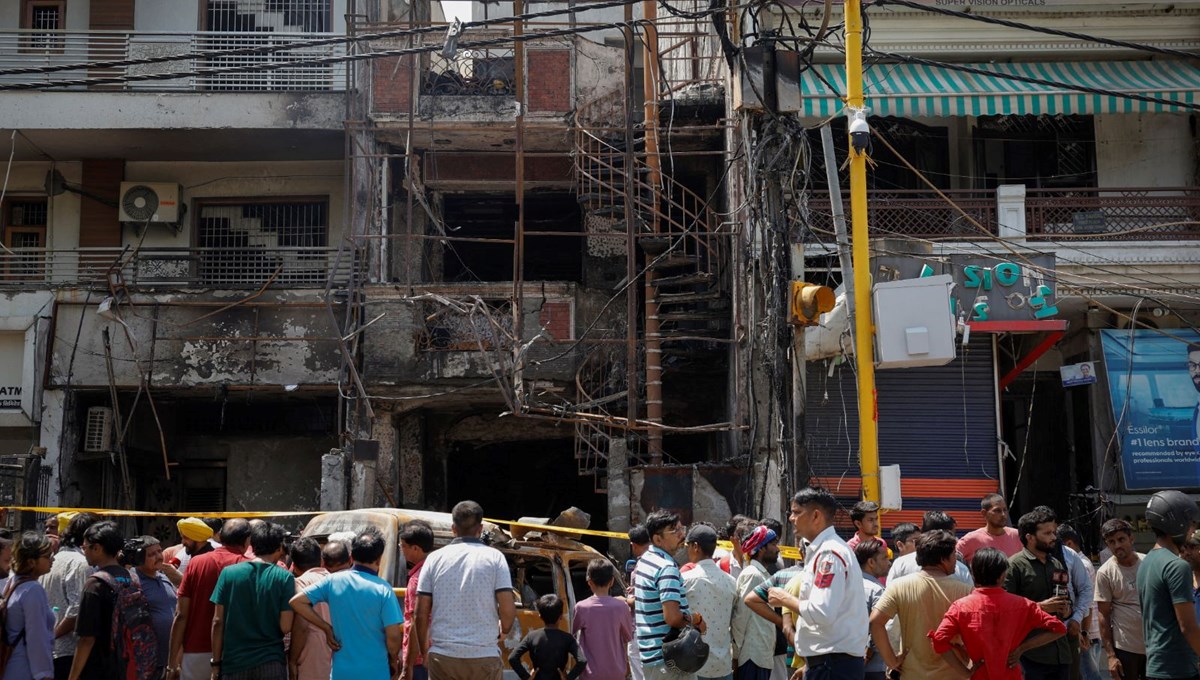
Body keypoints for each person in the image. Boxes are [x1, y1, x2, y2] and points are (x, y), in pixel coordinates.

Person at [767, 488, 867, 680]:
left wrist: (784, 598)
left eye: (796, 512)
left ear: (815, 516)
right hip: (829, 663)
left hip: (832, 665)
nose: (791, 518)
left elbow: (822, 612)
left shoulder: (829, 554)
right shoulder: (827, 550)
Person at [930, 547, 1067, 680]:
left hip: (979, 674)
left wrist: (965, 672)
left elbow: (939, 641)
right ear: (1002, 576)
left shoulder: (960, 607)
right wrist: (1021, 649)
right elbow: (1060, 629)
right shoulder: (1023, 605)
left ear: (973, 574)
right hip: (1011, 673)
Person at [415, 501, 515, 680]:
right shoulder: (495, 558)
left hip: (443, 657)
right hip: (484, 656)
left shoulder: (434, 559)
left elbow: (420, 614)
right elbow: (507, 609)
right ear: (480, 528)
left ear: (453, 528)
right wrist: (504, 630)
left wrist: (425, 652)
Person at [291, 528, 403, 680]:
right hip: (375, 672)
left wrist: (326, 628)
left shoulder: (332, 581)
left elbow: (297, 602)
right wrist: (393, 658)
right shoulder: (383, 590)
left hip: (341, 673)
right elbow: (394, 637)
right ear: (379, 559)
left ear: (351, 557)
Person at [869, 530, 972, 679]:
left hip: (911, 674)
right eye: (953, 555)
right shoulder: (966, 591)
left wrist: (892, 662)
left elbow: (875, 622)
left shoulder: (899, 586)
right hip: (954, 675)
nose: (956, 560)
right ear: (943, 559)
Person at [167, 518, 251, 680]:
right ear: (247, 540)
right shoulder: (249, 567)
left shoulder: (197, 563)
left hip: (196, 651)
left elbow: (181, 615)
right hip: (236, 651)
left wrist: (171, 664)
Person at [210, 522, 294, 680]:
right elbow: (285, 626)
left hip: (234, 663)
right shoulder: (285, 577)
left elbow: (217, 621)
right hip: (271, 663)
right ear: (278, 547)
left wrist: (216, 663)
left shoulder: (228, 574)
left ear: (252, 544)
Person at [632, 509, 704, 680]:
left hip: (653, 658)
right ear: (657, 539)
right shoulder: (666, 568)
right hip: (670, 661)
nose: (681, 535)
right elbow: (672, 618)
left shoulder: (645, 560)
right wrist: (696, 620)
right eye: (675, 531)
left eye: (681, 529)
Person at [1137, 490, 1200, 680]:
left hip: (1156, 666)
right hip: (1178, 669)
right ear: (1177, 523)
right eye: (1190, 523)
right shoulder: (1177, 566)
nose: (1192, 530)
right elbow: (1187, 626)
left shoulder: (1146, 562)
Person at [1004, 509, 1073, 680]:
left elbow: (1067, 601)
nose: (1054, 537)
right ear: (1030, 537)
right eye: (1047, 533)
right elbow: (1005, 610)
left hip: (1060, 654)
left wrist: (1066, 610)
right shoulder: (1014, 566)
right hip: (1030, 655)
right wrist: (1040, 607)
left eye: (1054, 532)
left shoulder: (1056, 563)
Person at [39, 512, 99, 680]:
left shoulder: (54, 559)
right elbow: (76, 611)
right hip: (70, 652)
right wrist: (54, 635)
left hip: (51, 649)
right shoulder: (81, 564)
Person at [66, 521, 128, 680]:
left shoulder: (95, 584)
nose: (83, 551)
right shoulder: (131, 578)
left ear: (97, 548)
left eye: (85, 547)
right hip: (127, 665)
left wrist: (73, 676)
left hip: (99, 669)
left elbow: (86, 638)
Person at [680, 525, 736, 680]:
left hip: (694, 666)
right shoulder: (731, 582)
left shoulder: (685, 580)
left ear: (696, 547)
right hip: (723, 665)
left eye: (688, 546)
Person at [1095, 518, 1146, 680]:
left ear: (1131, 539)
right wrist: (1110, 656)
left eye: (1121, 539)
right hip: (1125, 648)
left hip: (1154, 645)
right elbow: (1103, 614)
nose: (1117, 545)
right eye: (1111, 542)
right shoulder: (1105, 573)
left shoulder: (1148, 563)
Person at [3, 532, 56, 680]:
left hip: (10, 665)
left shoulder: (13, 582)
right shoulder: (33, 590)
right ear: (32, 562)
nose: (53, 560)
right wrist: (45, 674)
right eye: (47, 557)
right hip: (25, 669)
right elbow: (37, 638)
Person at [127, 536, 177, 680]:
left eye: (159, 551)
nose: (158, 557)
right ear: (139, 557)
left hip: (169, 659)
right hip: (146, 661)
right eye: (151, 554)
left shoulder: (164, 578)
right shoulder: (133, 581)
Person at [574, 559, 634, 680]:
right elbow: (627, 638)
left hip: (589, 673)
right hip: (616, 672)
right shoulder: (621, 607)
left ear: (589, 582)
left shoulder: (581, 607)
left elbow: (573, 636)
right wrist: (626, 663)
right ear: (612, 581)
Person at [733, 526, 779, 680]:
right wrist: (736, 653)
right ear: (760, 549)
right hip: (751, 656)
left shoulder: (761, 575)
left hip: (761, 654)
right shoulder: (753, 575)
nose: (777, 549)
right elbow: (741, 617)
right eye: (773, 544)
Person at [1056, 525, 1100, 680]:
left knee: (1090, 676)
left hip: (1085, 632)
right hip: (1085, 630)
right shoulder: (1083, 562)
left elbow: (1086, 601)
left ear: (1068, 544)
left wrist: (1083, 632)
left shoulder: (1082, 564)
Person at [509, 594, 587, 680]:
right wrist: (569, 678)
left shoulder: (531, 636)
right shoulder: (567, 638)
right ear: (561, 616)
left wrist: (526, 677)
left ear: (540, 616)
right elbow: (582, 661)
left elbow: (512, 658)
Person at [887, 512, 972, 586]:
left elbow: (888, 595)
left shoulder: (901, 564)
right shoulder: (960, 568)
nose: (955, 539)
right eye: (952, 534)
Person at [286, 538, 331, 680]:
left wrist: (292, 661)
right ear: (321, 560)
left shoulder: (299, 584)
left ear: (294, 566)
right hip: (335, 658)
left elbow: (302, 625)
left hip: (309, 658)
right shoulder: (337, 581)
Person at [400, 521, 433, 680]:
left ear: (415, 548)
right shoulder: (436, 571)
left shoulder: (417, 580)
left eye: (403, 546)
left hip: (419, 659)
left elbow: (417, 620)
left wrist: (408, 666)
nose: (401, 550)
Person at [853, 539, 890, 680]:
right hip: (873, 666)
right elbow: (878, 626)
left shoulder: (846, 586)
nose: (889, 562)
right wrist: (867, 655)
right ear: (871, 562)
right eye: (884, 558)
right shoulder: (877, 591)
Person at [957, 494, 1023, 564]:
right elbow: (949, 559)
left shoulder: (1017, 536)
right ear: (984, 513)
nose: (1003, 514)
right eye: (997, 511)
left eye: (1005, 510)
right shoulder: (972, 539)